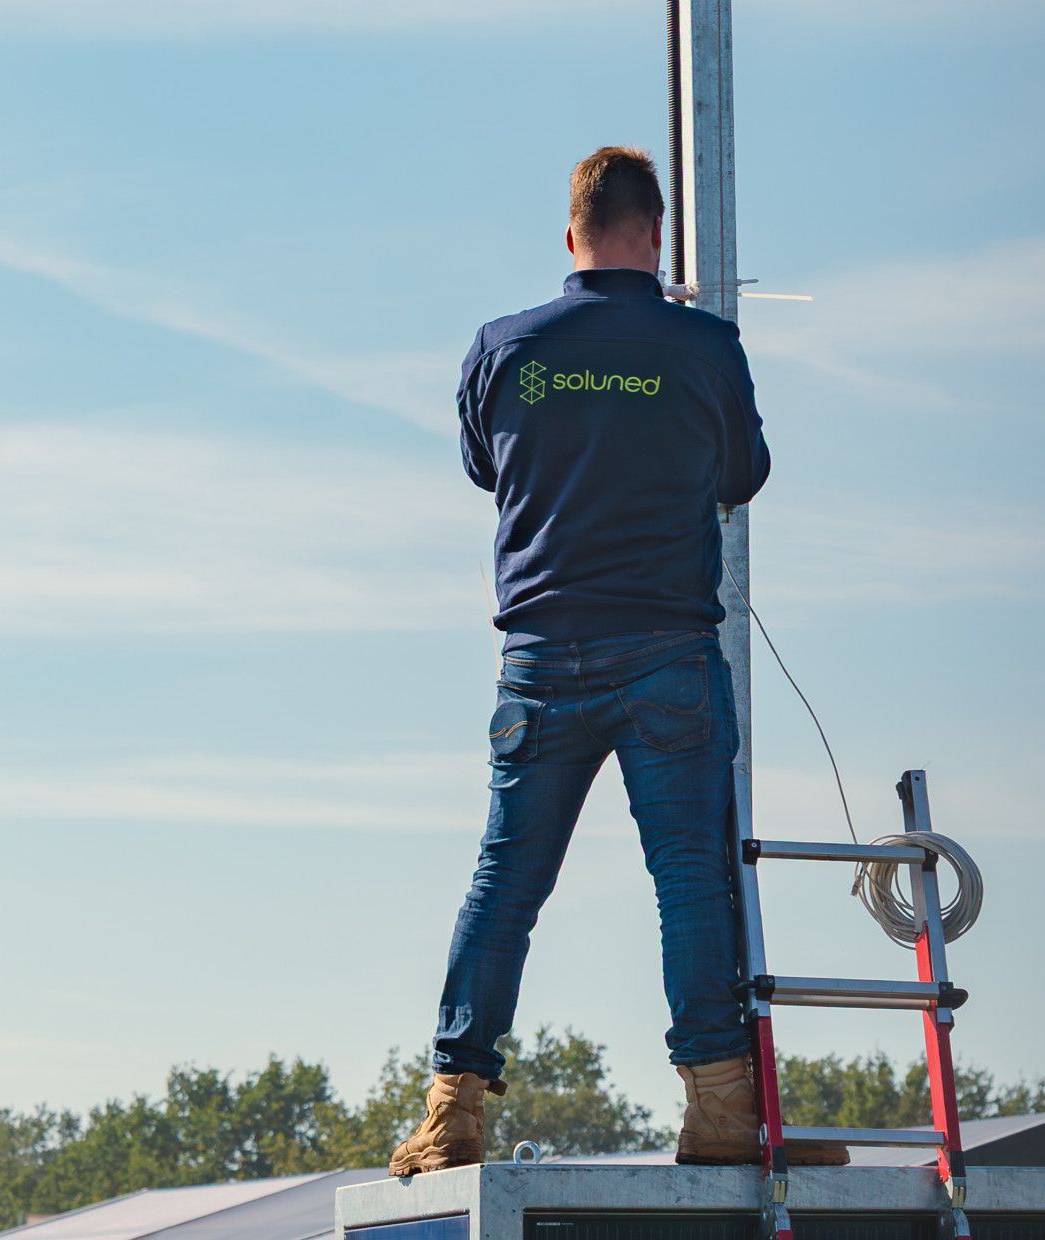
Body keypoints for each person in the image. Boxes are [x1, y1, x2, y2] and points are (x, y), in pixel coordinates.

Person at [387, 146, 844, 1174]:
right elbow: (742, 475)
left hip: (538, 658)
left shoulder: (503, 347)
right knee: (687, 880)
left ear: (570, 235)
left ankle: (452, 1114)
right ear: (658, 235)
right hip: (666, 652)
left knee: (506, 878)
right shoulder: (704, 344)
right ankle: (718, 1115)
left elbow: (483, 464)